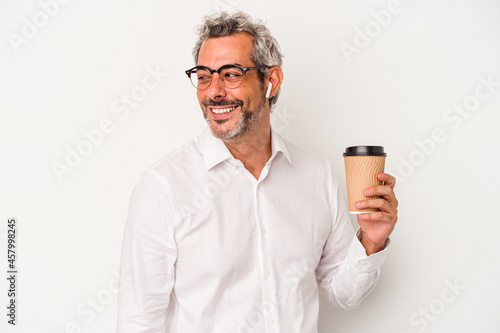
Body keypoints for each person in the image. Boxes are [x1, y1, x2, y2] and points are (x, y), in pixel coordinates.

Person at [117, 11, 398, 333]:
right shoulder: (164, 187)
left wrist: (371, 241)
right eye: (204, 75)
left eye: (231, 74)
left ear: (271, 81)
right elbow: (137, 320)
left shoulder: (317, 175)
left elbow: (343, 295)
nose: (213, 91)